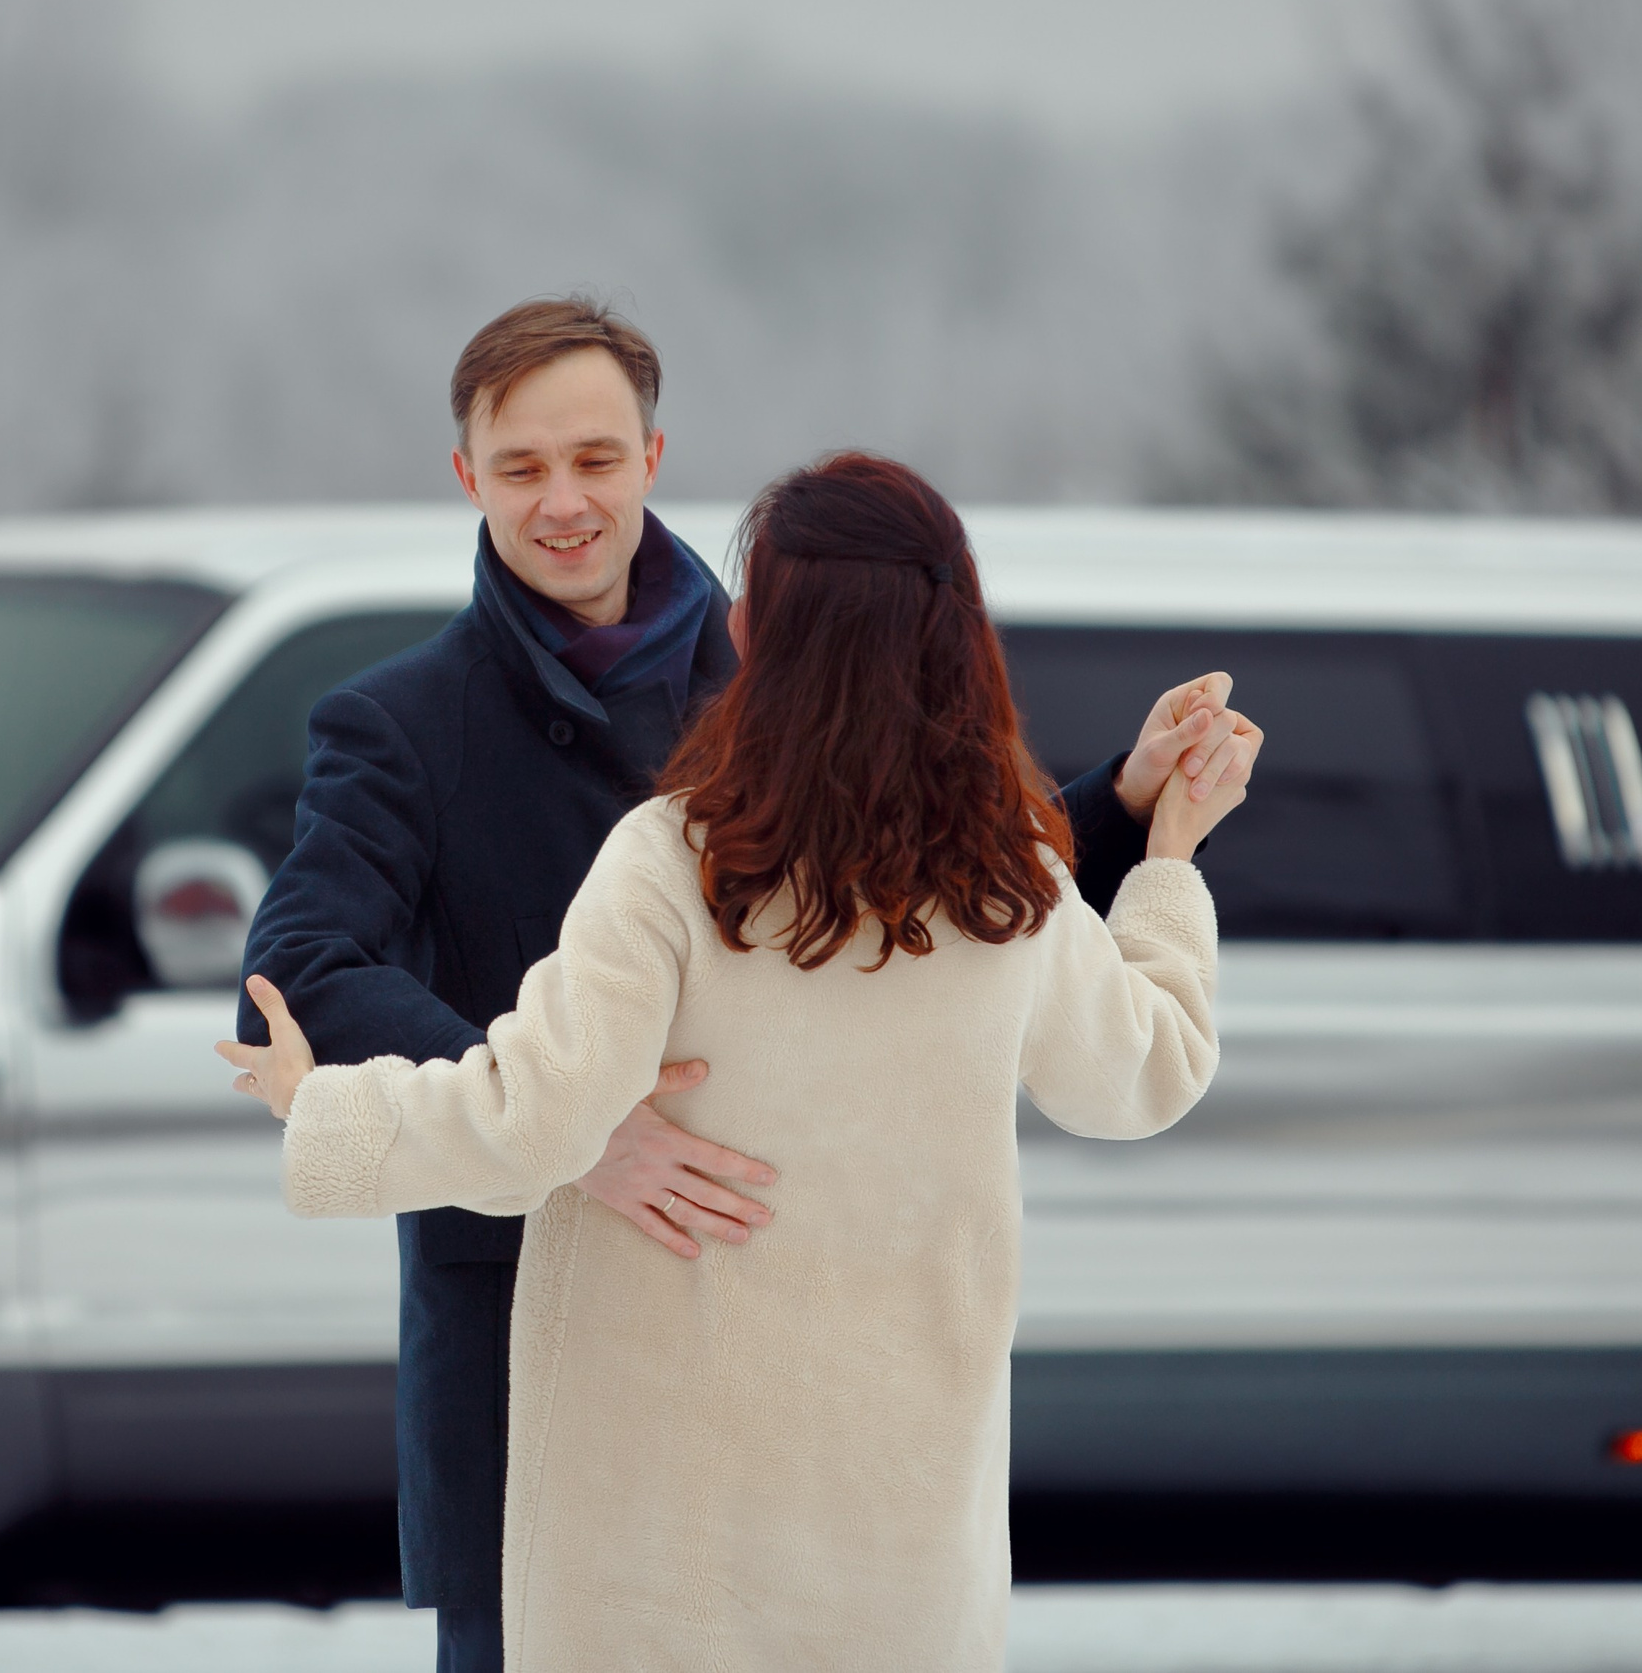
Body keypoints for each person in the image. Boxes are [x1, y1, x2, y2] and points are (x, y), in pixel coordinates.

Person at [233, 298, 1259, 1672]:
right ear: (468, 476)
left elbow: (931, 900)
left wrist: (1123, 814)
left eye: (595, 460)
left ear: (655, 456)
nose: (564, 503)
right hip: (542, 1346)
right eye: (524, 468)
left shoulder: (775, 657)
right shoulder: (401, 722)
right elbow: (297, 976)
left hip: (821, 1373)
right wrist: (585, 1130)